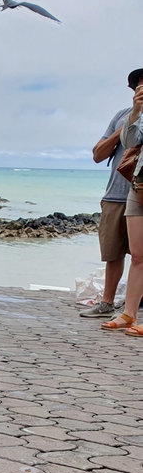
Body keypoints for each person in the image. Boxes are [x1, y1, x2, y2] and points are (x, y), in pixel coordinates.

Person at [82, 70, 140, 318]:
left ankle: (132, 306)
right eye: (139, 85)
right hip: (116, 193)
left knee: (140, 254)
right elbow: (97, 155)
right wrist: (128, 122)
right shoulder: (122, 116)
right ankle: (107, 302)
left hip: (140, 193)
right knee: (112, 253)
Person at [102, 68, 143, 336]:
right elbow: (130, 141)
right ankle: (129, 314)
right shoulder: (136, 113)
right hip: (139, 185)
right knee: (139, 255)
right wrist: (136, 112)